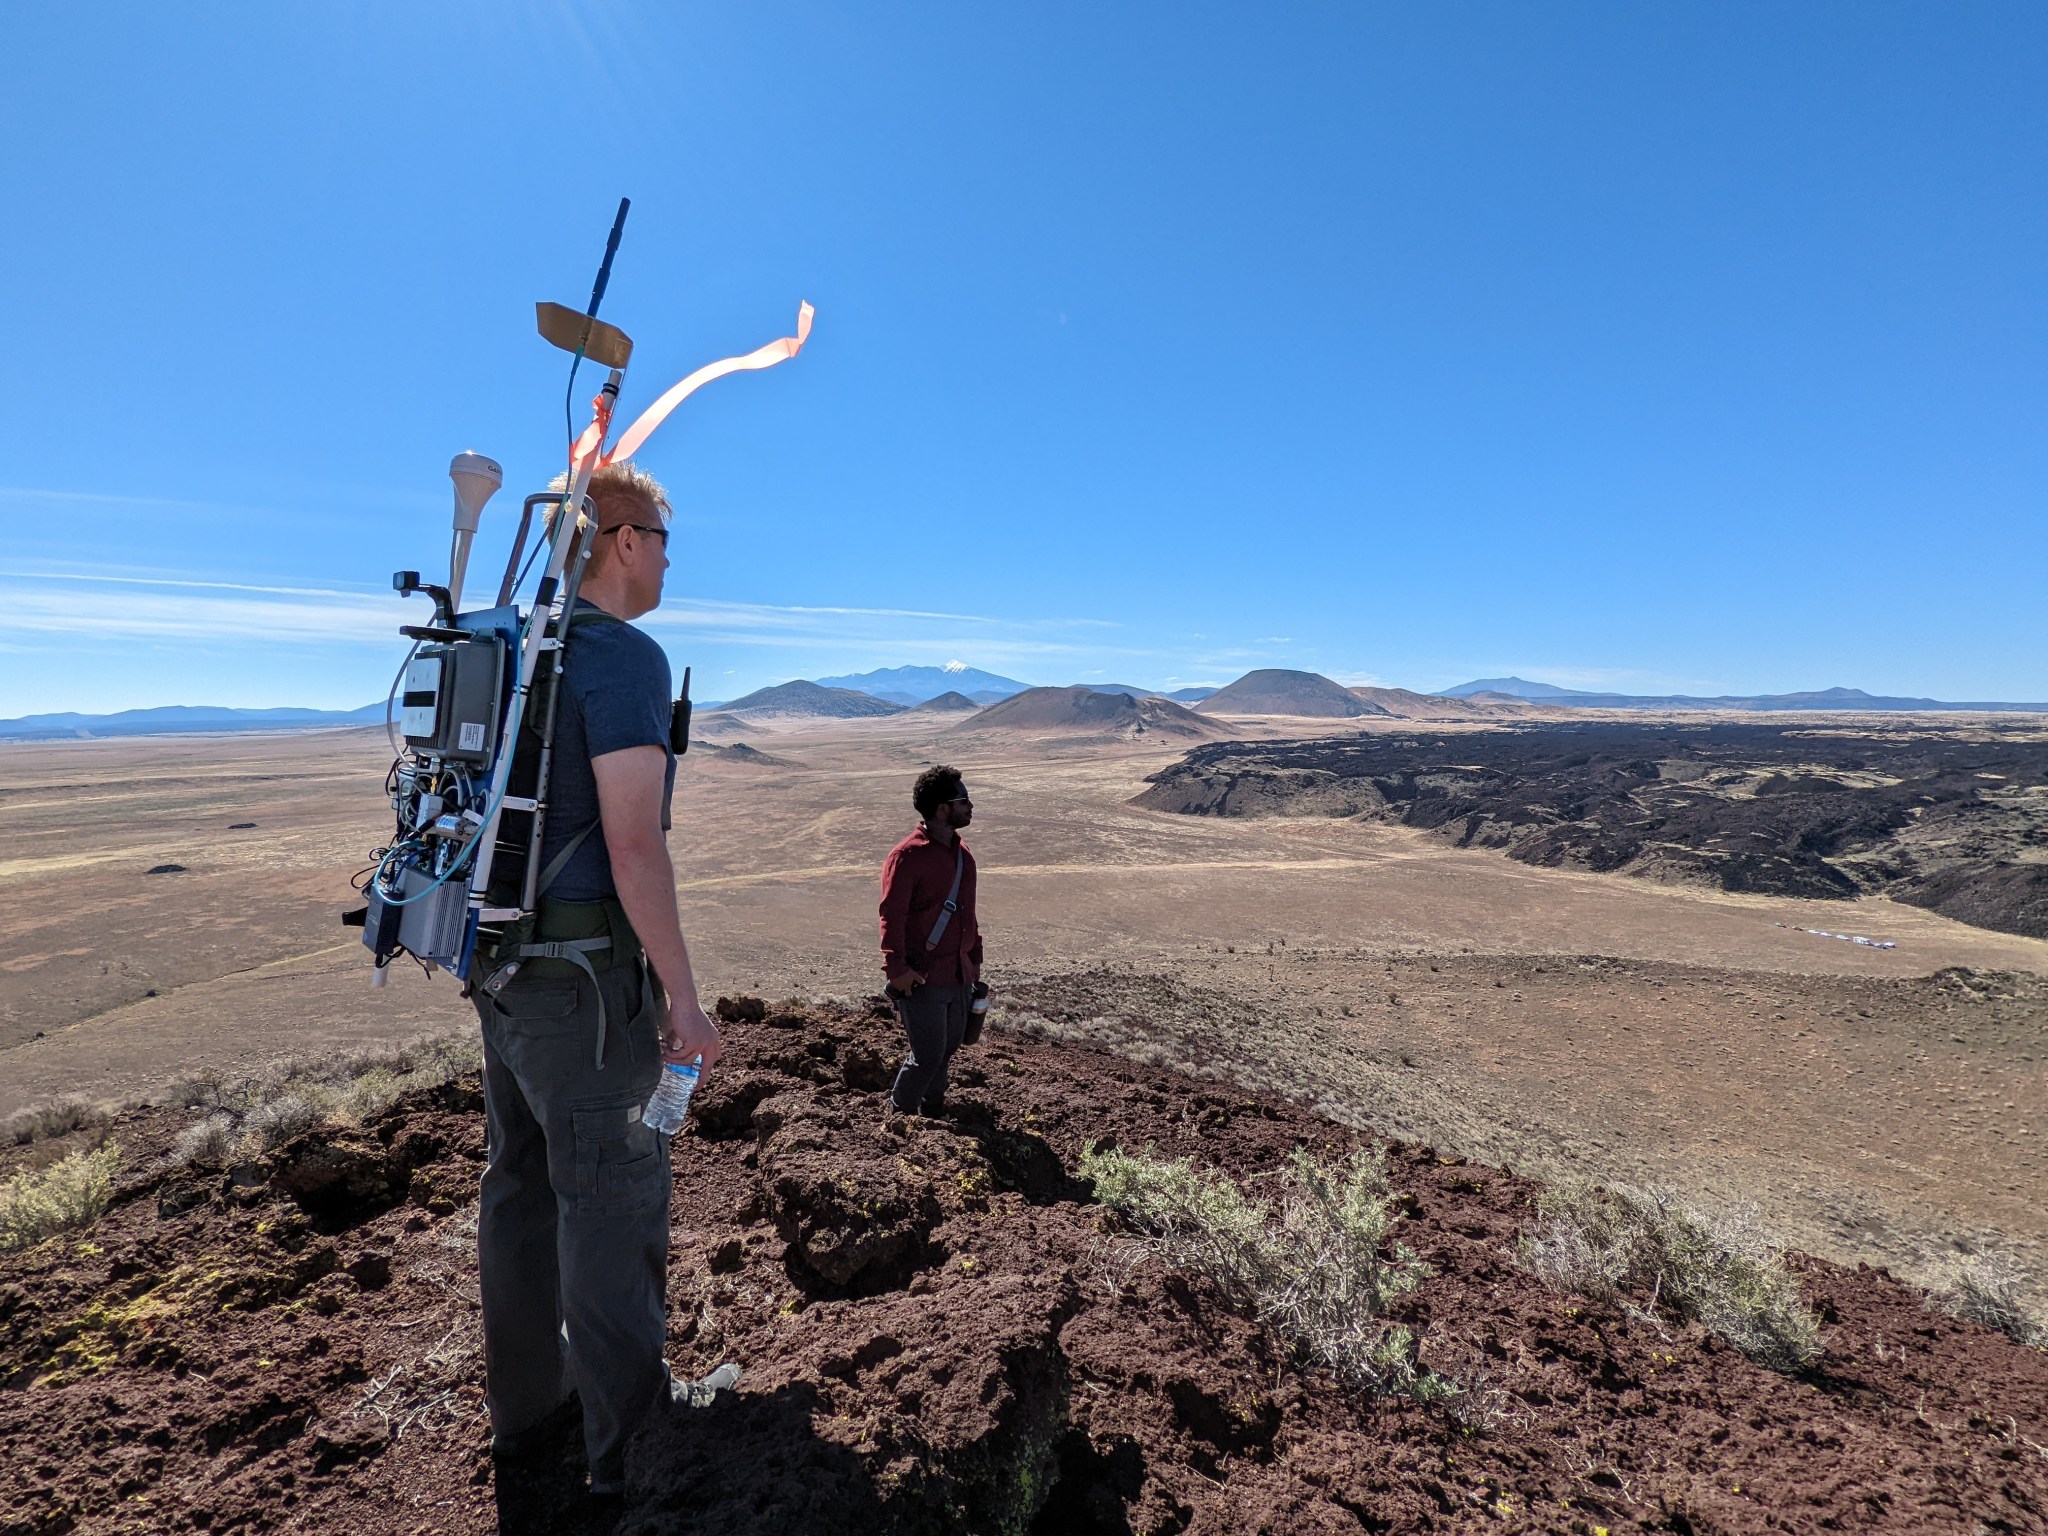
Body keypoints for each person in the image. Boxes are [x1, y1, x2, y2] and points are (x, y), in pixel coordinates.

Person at [468, 461, 730, 1502]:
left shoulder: (524, 651)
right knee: (613, 1200)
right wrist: (683, 996)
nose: (668, 559)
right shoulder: (621, 657)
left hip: (505, 973)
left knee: (521, 1189)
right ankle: (633, 1454)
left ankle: (528, 1414)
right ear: (623, 541)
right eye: (662, 539)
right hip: (583, 988)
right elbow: (634, 846)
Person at [879, 764, 984, 1115]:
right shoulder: (908, 856)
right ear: (942, 808)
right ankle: (899, 1120)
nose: (971, 806)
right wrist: (897, 969)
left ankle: (934, 1114)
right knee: (926, 1056)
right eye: (964, 800)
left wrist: (975, 959)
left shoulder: (961, 853)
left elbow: (967, 913)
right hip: (923, 978)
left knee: (948, 1048)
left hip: (958, 974)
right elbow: (891, 916)